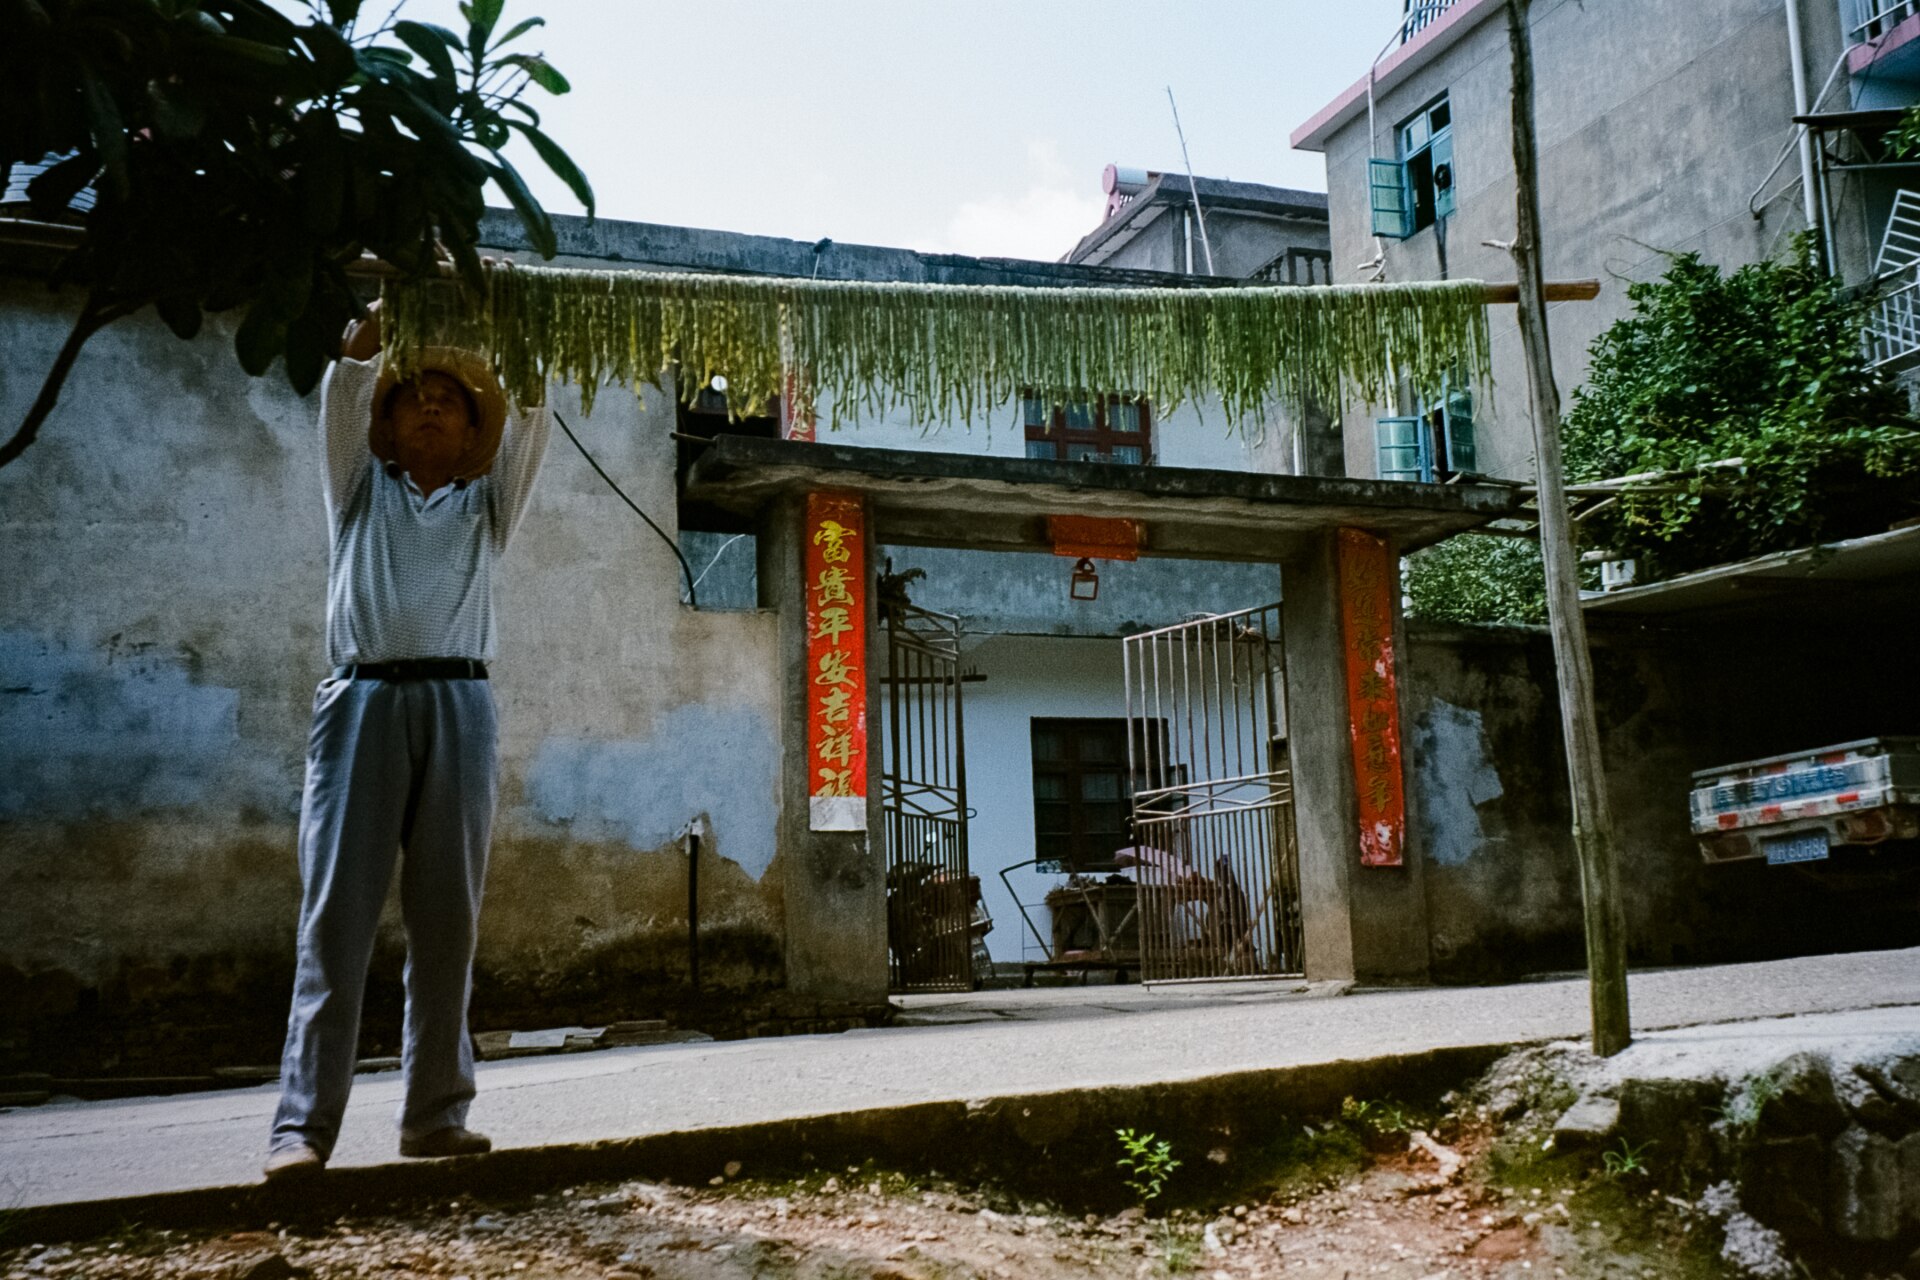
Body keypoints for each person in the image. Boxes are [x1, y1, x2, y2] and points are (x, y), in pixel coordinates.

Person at [263, 298, 551, 1181]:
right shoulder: (355, 490)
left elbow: (534, 410)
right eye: (414, 396)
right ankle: (302, 1128)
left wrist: (505, 317)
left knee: (448, 923)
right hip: (361, 703)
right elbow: (346, 382)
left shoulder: (487, 508)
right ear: (389, 424)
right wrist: (405, 305)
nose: (430, 405)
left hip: (460, 705)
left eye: (450, 399)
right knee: (336, 920)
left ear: (470, 432)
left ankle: (434, 1117)